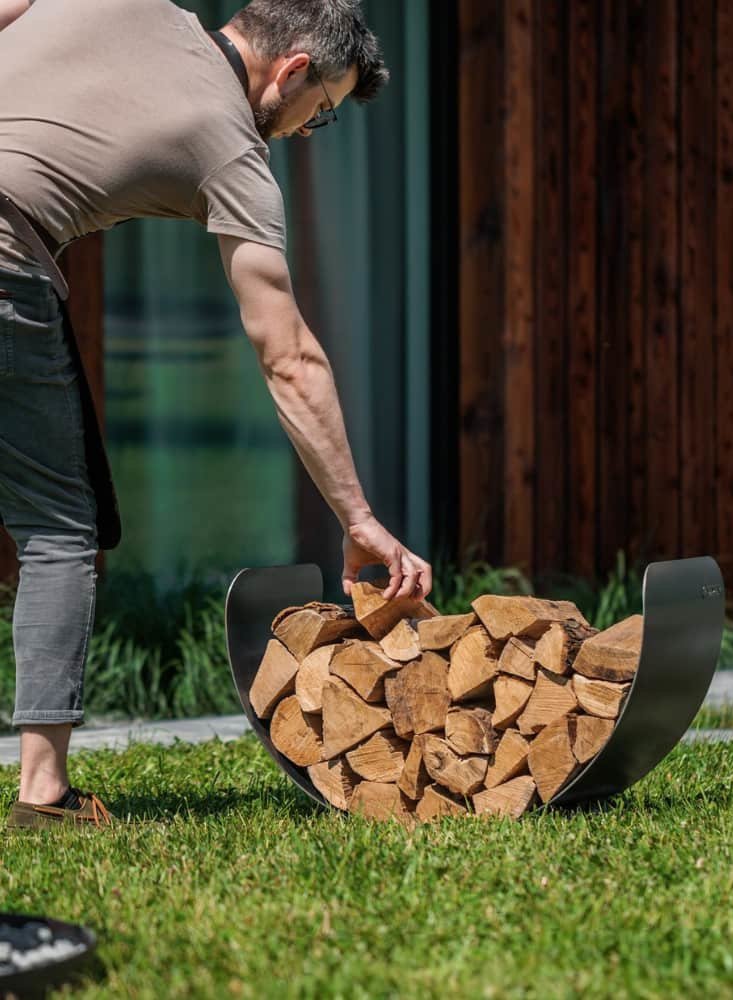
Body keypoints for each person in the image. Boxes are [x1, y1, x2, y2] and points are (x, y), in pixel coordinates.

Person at [0, 0, 432, 829]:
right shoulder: (227, 143)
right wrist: (358, 516)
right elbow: (288, 355)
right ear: (294, 70)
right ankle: (42, 797)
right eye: (323, 113)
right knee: (58, 528)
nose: (309, 130)